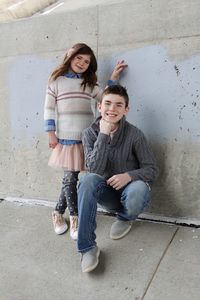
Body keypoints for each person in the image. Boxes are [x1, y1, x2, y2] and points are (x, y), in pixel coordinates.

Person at [44, 43, 127, 240]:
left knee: (72, 178)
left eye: (86, 61)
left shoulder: (88, 83)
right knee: (70, 178)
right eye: (78, 58)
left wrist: (114, 78)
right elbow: (48, 108)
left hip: (87, 137)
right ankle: (74, 217)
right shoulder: (56, 81)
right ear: (70, 57)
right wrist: (50, 133)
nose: (82, 63)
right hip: (66, 139)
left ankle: (57, 212)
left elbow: (105, 96)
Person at [77, 84, 158, 272]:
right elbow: (94, 169)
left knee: (139, 188)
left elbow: (152, 169)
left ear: (126, 110)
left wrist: (128, 176)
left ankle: (125, 218)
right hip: (107, 194)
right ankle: (88, 248)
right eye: (108, 103)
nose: (112, 109)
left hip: (131, 194)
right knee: (87, 180)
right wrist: (103, 134)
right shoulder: (89, 134)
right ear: (100, 107)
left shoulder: (135, 134)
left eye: (118, 105)